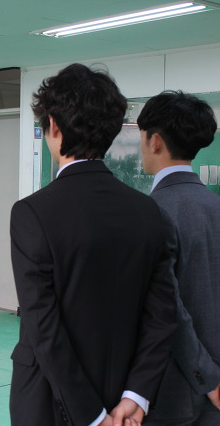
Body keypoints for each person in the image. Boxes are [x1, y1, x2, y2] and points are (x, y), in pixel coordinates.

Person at [9, 63, 177, 425]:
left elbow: (43, 325)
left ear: (53, 125)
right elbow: (163, 315)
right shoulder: (148, 211)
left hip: (49, 401)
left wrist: (93, 415)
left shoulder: (33, 213)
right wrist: (136, 395)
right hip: (124, 397)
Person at [137, 91, 220, 426]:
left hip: (175, 392)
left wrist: (208, 377)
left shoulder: (151, 212)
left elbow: (166, 307)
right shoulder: (215, 207)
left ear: (155, 141)